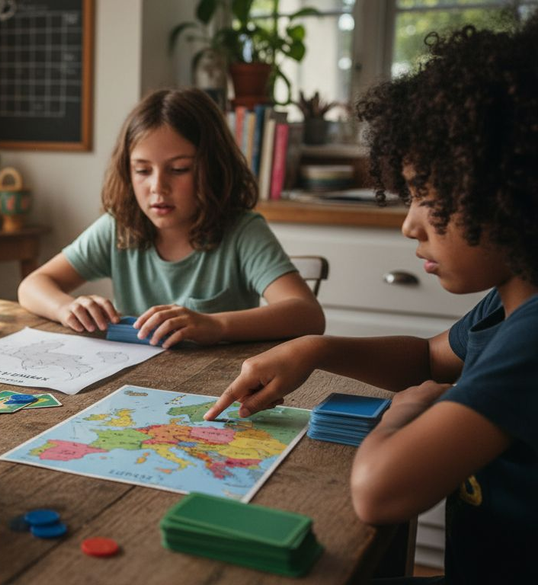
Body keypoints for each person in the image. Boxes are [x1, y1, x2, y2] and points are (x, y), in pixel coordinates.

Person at [204, 18, 538, 584]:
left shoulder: (532, 337)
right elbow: (431, 359)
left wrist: (405, 411)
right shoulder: (511, 298)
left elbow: (378, 493)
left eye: (427, 197)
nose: (409, 225)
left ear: (511, 193)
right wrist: (314, 348)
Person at [17, 88, 324, 348]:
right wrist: (67, 306)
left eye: (179, 169)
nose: (158, 187)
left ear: (213, 169)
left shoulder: (242, 232)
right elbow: (32, 285)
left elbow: (307, 315)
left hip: (218, 390)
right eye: (142, 170)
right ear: (127, 171)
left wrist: (215, 325)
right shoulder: (119, 228)